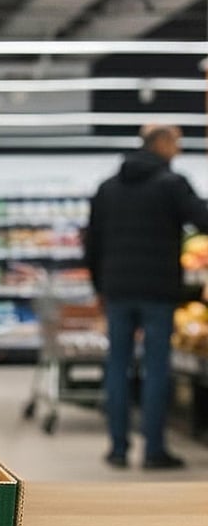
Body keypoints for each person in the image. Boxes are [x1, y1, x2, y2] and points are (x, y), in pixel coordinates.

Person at [84, 124, 208, 469]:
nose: (178, 150)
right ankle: (154, 450)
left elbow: (92, 243)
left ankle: (118, 448)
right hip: (157, 291)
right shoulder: (171, 184)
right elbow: (203, 220)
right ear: (162, 143)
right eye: (177, 143)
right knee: (156, 369)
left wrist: (99, 289)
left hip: (118, 290)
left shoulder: (107, 188)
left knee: (117, 367)